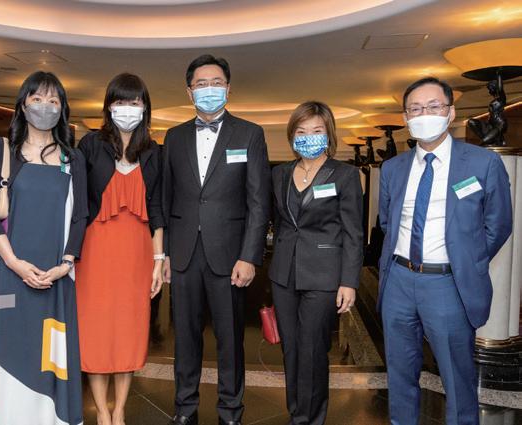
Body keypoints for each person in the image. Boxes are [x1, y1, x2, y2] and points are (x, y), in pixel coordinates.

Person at [378, 77, 512, 425]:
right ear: (406, 117)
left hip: (448, 284)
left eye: (433, 106)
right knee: (399, 371)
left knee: (456, 376)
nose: (424, 114)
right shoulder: (392, 168)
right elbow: (387, 222)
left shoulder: (482, 163)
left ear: (450, 113)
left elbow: (498, 225)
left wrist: (467, 261)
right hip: (399, 281)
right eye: (416, 109)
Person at [162, 54, 271, 425]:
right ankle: (184, 407)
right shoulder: (173, 137)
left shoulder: (250, 134)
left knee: (230, 338)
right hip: (183, 253)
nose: (209, 89)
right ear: (189, 91)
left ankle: (230, 411)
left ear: (228, 88)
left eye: (216, 83)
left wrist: (250, 256)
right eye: (201, 84)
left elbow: (259, 202)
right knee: (185, 337)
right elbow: (166, 198)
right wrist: (164, 254)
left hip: (230, 255)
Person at [0, 71, 88, 425]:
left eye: (53, 100)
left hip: (55, 277)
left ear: (62, 109)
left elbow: (80, 217)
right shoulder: (3, 150)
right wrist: (14, 263)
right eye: (37, 98)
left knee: (48, 360)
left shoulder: (72, 159)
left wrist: (65, 264)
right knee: (5, 352)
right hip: (6, 273)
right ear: (23, 105)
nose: (45, 106)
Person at [75, 72, 164, 425]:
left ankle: (120, 409)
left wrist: (158, 261)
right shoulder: (90, 145)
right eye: (120, 101)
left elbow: (157, 209)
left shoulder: (154, 152)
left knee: (129, 331)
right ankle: (101, 411)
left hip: (137, 254)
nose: (128, 108)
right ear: (109, 106)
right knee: (96, 332)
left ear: (145, 107)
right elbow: (77, 202)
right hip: (94, 252)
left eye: (135, 102)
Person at [269, 101, 363, 425]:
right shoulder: (280, 173)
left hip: (324, 274)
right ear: (292, 136)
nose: (308, 136)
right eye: (301, 131)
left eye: (316, 130)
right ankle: (297, 413)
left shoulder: (345, 175)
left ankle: (310, 418)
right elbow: (280, 222)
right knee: (291, 349)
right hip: (284, 274)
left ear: (328, 134)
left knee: (312, 349)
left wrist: (349, 281)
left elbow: (353, 232)